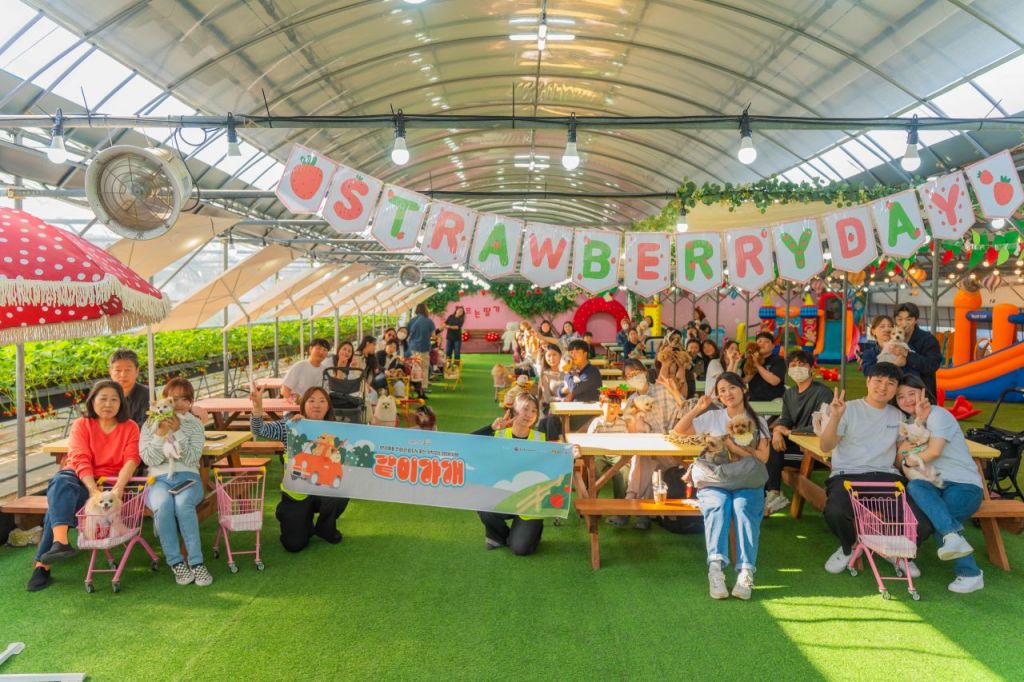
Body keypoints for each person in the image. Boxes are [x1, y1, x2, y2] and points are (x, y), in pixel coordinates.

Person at [819, 362, 934, 576]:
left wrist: (909, 451)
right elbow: (826, 446)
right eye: (878, 381)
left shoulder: (898, 416)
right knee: (835, 512)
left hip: (887, 478)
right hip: (847, 476)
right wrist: (834, 417)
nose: (883, 387)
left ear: (895, 388)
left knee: (923, 523)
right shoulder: (847, 409)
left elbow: (899, 458)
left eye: (890, 383)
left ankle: (898, 553)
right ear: (868, 381)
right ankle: (849, 547)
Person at [27, 380, 141, 591]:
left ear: (121, 403)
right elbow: (80, 458)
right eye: (103, 399)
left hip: (108, 486)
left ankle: (44, 563)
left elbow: (132, 459)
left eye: (114, 400)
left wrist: (118, 488)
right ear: (92, 401)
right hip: (81, 478)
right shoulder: (82, 424)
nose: (108, 404)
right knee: (61, 481)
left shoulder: (130, 427)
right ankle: (60, 542)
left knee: (55, 505)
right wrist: (91, 489)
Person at [672, 373, 770, 600]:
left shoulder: (758, 421)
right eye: (722, 390)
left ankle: (746, 572)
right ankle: (715, 569)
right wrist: (698, 409)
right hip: (715, 478)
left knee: (744, 508)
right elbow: (679, 431)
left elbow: (763, 458)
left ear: (743, 389)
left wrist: (734, 448)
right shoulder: (712, 416)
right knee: (717, 506)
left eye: (732, 388)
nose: (727, 394)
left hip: (747, 478)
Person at [896, 375, 985, 593]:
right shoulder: (912, 424)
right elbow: (901, 457)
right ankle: (954, 541)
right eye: (900, 397)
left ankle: (971, 574)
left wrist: (909, 460)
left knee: (941, 520)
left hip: (964, 485)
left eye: (911, 393)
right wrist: (917, 422)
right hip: (934, 485)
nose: (907, 400)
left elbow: (934, 452)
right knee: (916, 487)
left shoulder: (938, 415)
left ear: (923, 392)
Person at [250, 386, 349, 552]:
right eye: (311, 400)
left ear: (328, 406)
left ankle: (325, 528)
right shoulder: (291, 425)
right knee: (294, 544)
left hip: (324, 489)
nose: (316, 405)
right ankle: (294, 517)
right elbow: (259, 431)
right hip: (296, 494)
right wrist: (258, 407)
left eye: (322, 401)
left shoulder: (336, 430)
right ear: (303, 404)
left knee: (341, 492)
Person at [140, 377, 212, 587]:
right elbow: (149, 459)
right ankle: (176, 563)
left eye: (184, 399)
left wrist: (179, 431)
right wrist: (159, 435)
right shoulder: (150, 424)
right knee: (163, 505)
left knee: (183, 505)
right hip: (158, 479)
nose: (179, 403)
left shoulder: (195, 424)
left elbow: (192, 458)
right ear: (164, 400)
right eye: (174, 398)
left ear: (191, 402)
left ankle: (196, 562)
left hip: (188, 477)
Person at [472, 393, 550, 555]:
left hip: (529, 502)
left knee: (521, 549)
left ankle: (529, 531)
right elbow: (466, 443)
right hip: (503, 496)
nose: (529, 415)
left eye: (534, 411)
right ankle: (497, 536)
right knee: (483, 502)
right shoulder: (498, 434)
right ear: (514, 410)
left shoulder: (542, 439)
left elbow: (558, 464)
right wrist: (491, 428)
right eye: (525, 409)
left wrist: (572, 455)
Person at [766, 350, 834, 515]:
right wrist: (777, 431)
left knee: (768, 456)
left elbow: (822, 426)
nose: (797, 368)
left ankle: (773, 493)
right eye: (793, 365)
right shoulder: (789, 393)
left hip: (815, 451)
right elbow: (785, 419)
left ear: (811, 368)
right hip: (797, 445)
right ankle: (772, 494)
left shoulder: (823, 393)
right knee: (767, 446)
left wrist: (789, 432)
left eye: (802, 364)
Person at [619, 359, 685, 529]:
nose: (634, 377)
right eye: (629, 376)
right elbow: (631, 435)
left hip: (672, 448)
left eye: (636, 373)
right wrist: (633, 415)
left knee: (643, 458)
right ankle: (642, 513)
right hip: (647, 451)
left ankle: (629, 504)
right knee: (644, 456)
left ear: (645, 372)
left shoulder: (662, 390)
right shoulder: (631, 401)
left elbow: (684, 410)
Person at [587, 388, 630, 522]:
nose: (613, 409)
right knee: (595, 470)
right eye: (609, 405)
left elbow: (627, 442)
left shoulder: (622, 423)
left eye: (616, 406)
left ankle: (619, 508)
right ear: (601, 406)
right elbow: (588, 442)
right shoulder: (597, 423)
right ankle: (592, 504)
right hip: (599, 453)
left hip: (617, 454)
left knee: (624, 471)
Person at [894, 303, 942, 397]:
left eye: (908, 319)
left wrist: (908, 355)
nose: (904, 323)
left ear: (916, 320)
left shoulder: (928, 339)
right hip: (896, 394)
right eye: (900, 319)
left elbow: (932, 365)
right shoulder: (892, 339)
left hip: (922, 394)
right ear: (895, 320)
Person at [281, 338, 332, 402]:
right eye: (318, 348)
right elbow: (285, 390)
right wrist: (297, 402)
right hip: (297, 405)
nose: (321, 352)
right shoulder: (299, 366)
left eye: (325, 350)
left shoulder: (325, 371)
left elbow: (326, 392)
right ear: (310, 349)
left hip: (316, 406)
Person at [108, 348, 149, 427]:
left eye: (127, 370)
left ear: (137, 371)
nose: (123, 375)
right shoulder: (103, 394)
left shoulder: (147, 394)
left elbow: (146, 427)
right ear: (110, 372)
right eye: (118, 370)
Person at [744, 332, 786, 402]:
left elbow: (774, 381)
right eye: (759, 341)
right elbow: (744, 380)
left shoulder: (779, 360)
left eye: (766, 342)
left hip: (774, 400)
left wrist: (757, 365)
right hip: (754, 400)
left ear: (773, 346)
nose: (762, 344)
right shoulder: (749, 360)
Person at [407, 303, 436, 392]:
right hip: (424, 348)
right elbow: (433, 336)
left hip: (412, 348)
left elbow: (406, 334)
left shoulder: (411, 321)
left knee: (413, 368)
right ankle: (423, 388)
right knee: (424, 368)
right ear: (425, 310)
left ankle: (413, 387)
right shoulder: (429, 321)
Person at [537, 345, 565, 414]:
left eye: (554, 355)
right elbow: (547, 398)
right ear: (545, 358)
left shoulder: (567, 371)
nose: (552, 358)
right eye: (548, 356)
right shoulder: (545, 375)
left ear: (560, 355)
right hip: (552, 407)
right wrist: (561, 399)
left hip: (571, 404)